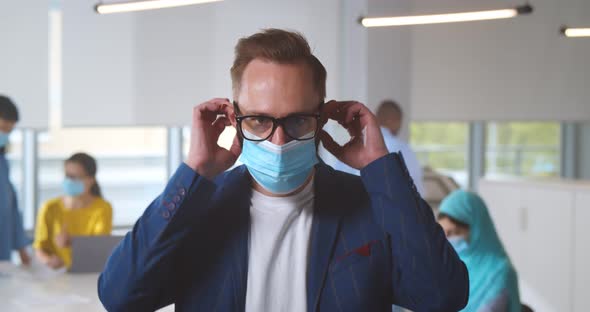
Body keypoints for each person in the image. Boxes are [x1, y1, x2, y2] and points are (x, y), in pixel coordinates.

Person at [98, 29, 468, 311]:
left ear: (323, 118)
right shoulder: (196, 211)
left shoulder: (370, 205)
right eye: (259, 120)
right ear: (233, 117)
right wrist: (196, 170)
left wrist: (379, 169)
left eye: (297, 120)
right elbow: (121, 295)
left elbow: (443, 296)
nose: (277, 141)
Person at [438, 190, 521, 312]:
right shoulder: (447, 266)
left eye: (453, 233)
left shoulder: (499, 273)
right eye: (443, 233)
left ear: (477, 230)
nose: (448, 240)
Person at [34, 153, 112, 269]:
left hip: (88, 274)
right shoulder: (49, 207)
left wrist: (72, 242)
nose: (70, 181)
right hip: (55, 277)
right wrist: (49, 260)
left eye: (75, 177)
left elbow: (99, 247)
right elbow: (39, 247)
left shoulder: (102, 208)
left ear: (91, 180)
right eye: (67, 176)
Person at [333, 99, 424, 195]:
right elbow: (417, 192)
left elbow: (336, 183)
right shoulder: (403, 150)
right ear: (394, 120)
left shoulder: (352, 146)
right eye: (400, 122)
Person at [0, 95, 31, 265]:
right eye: (2, 129)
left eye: (8, 131)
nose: (4, 135)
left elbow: (10, 206)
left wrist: (22, 249)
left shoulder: (3, 162)